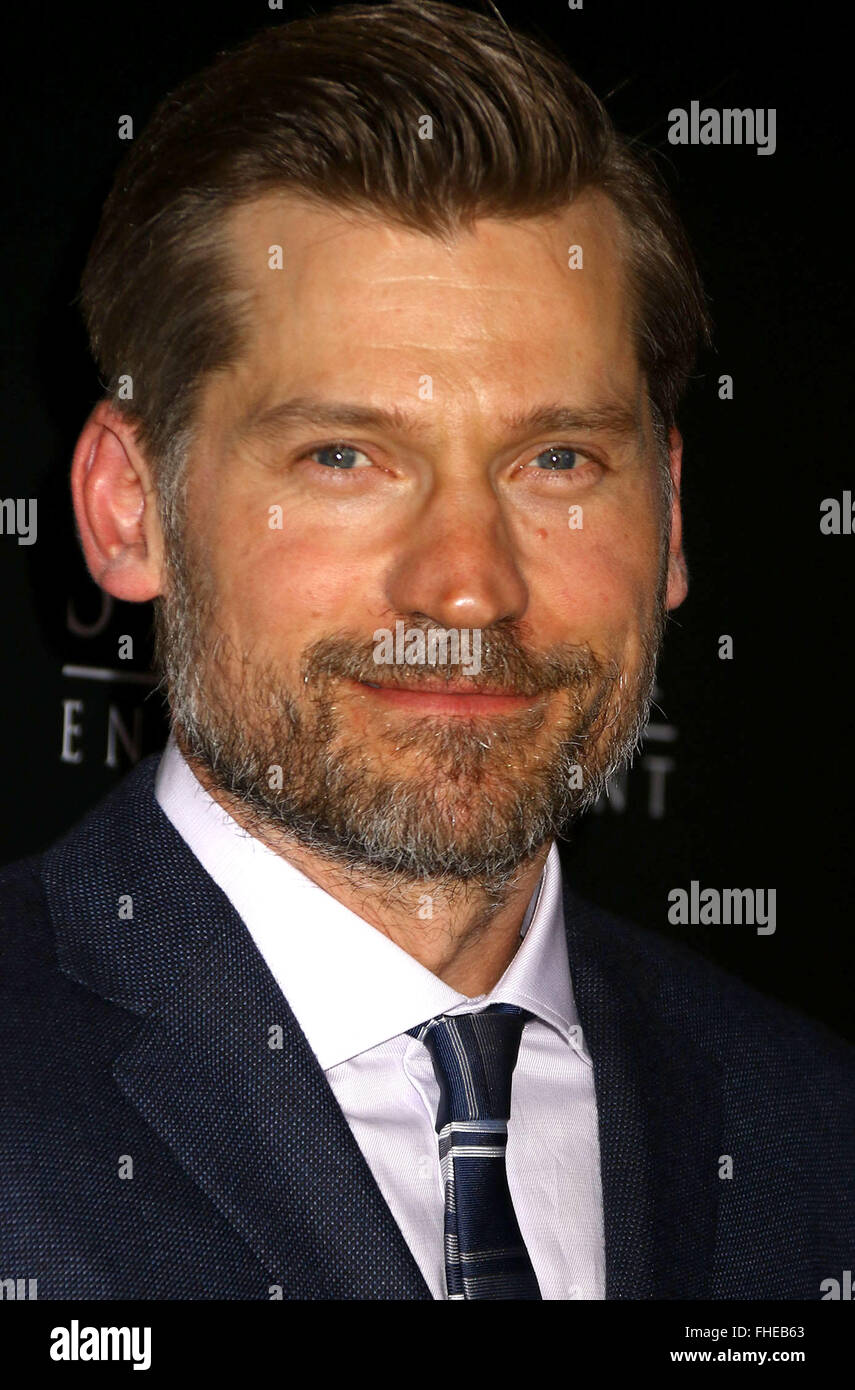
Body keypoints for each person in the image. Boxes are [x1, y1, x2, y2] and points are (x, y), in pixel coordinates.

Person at [1, 0, 851, 1301]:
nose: (468, 587)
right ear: (131, 508)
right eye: (346, 457)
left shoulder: (818, 1132)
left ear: (671, 516)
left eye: (557, 459)